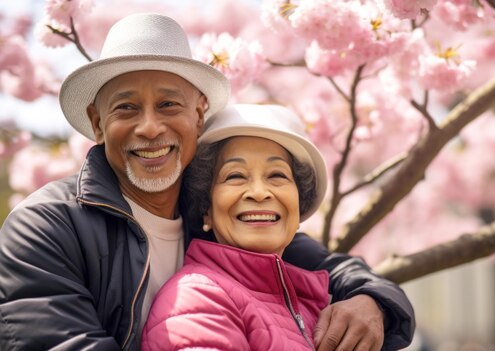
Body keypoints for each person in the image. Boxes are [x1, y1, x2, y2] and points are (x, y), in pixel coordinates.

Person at [0, 12, 414, 351]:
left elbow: (329, 268)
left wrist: (372, 300)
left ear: (198, 118)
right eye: (126, 108)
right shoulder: (47, 226)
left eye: (168, 105)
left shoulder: (219, 213)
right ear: (97, 124)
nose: (149, 127)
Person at [142, 103, 331, 350]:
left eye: (277, 175)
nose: (259, 192)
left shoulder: (312, 308)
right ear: (206, 209)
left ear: (299, 202)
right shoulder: (198, 297)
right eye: (235, 176)